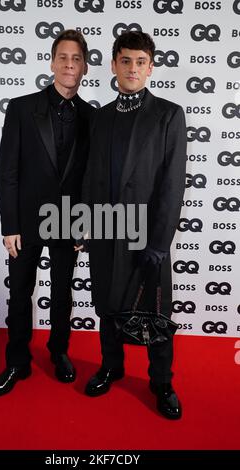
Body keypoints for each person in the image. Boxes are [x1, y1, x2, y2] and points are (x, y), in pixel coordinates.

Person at [79, 31, 187, 419]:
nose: (133, 69)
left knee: (155, 313)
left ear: (151, 67)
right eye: (125, 61)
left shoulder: (169, 114)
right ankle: (111, 367)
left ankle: (161, 381)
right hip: (106, 230)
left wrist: (159, 242)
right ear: (113, 65)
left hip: (147, 236)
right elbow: (92, 174)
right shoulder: (101, 116)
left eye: (141, 62)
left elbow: (173, 182)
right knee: (108, 306)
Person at [0, 30, 93, 398]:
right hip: (26, 221)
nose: (68, 64)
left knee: (63, 294)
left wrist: (84, 225)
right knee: (20, 293)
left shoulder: (93, 116)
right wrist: (10, 224)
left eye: (75, 59)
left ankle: (58, 351)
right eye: (62, 57)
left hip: (68, 221)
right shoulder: (20, 107)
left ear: (85, 67)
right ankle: (16, 362)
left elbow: (90, 179)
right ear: (51, 62)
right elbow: (8, 172)